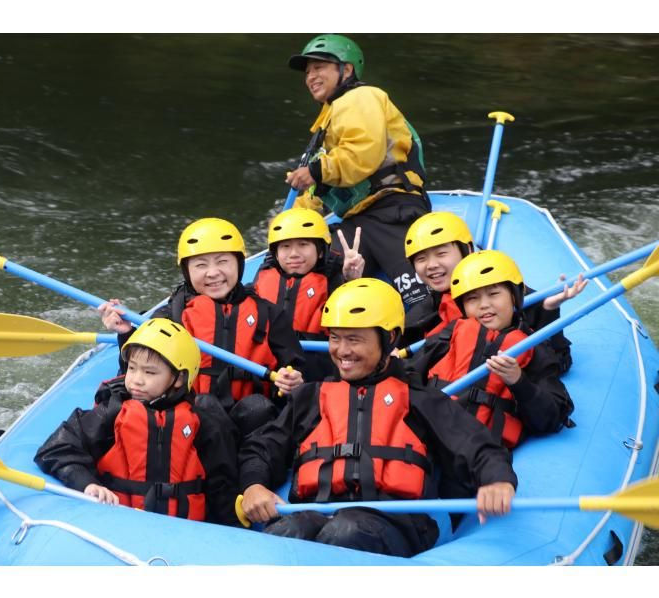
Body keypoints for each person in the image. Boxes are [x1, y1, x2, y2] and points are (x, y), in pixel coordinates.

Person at [238, 278, 517, 557]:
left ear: (390, 338)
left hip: (393, 523)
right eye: (335, 338)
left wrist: (497, 481)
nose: (342, 351)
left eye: (355, 339)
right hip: (315, 513)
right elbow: (263, 448)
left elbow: (479, 448)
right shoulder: (310, 397)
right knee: (288, 532)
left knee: (346, 531)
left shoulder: (421, 399)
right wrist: (253, 485)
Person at [99, 217, 306, 438]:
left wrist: (291, 379)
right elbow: (141, 370)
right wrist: (126, 334)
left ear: (239, 264)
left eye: (223, 262)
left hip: (252, 420)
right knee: (204, 405)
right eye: (201, 265)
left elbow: (294, 365)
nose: (213, 273)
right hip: (191, 422)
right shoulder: (171, 317)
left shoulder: (268, 314)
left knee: (259, 408)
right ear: (187, 271)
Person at [34, 317, 240, 526]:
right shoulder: (111, 412)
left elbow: (221, 488)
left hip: (183, 533)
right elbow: (56, 449)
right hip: (117, 523)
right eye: (132, 368)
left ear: (179, 378)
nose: (136, 380)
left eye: (149, 372)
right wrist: (87, 484)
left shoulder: (203, 424)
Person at [284, 33, 431, 309]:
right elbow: (318, 189)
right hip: (356, 221)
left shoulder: (361, 97)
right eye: (307, 72)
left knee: (421, 299)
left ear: (346, 69)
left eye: (319, 68)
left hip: (393, 209)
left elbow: (363, 151)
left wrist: (315, 171)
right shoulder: (327, 121)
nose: (310, 77)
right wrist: (290, 226)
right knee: (328, 289)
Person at [405, 250, 575, 451]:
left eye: (494, 294)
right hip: (432, 432)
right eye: (472, 299)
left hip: (482, 450)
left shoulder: (532, 347)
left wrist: (518, 381)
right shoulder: (452, 333)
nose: (484, 305)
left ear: (514, 297)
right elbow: (410, 372)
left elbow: (553, 416)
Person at [400, 211, 586, 373]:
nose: (431, 265)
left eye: (441, 254)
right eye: (422, 258)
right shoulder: (430, 306)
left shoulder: (504, 290)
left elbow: (560, 359)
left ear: (468, 250)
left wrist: (546, 310)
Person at [251, 207, 365, 380]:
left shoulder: (334, 279)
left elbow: (357, 316)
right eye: (286, 247)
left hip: (317, 364)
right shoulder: (263, 277)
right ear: (275, 253)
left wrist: (351, 280)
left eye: (303, 245)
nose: (294, 254)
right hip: (272, 368)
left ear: (320, 251)